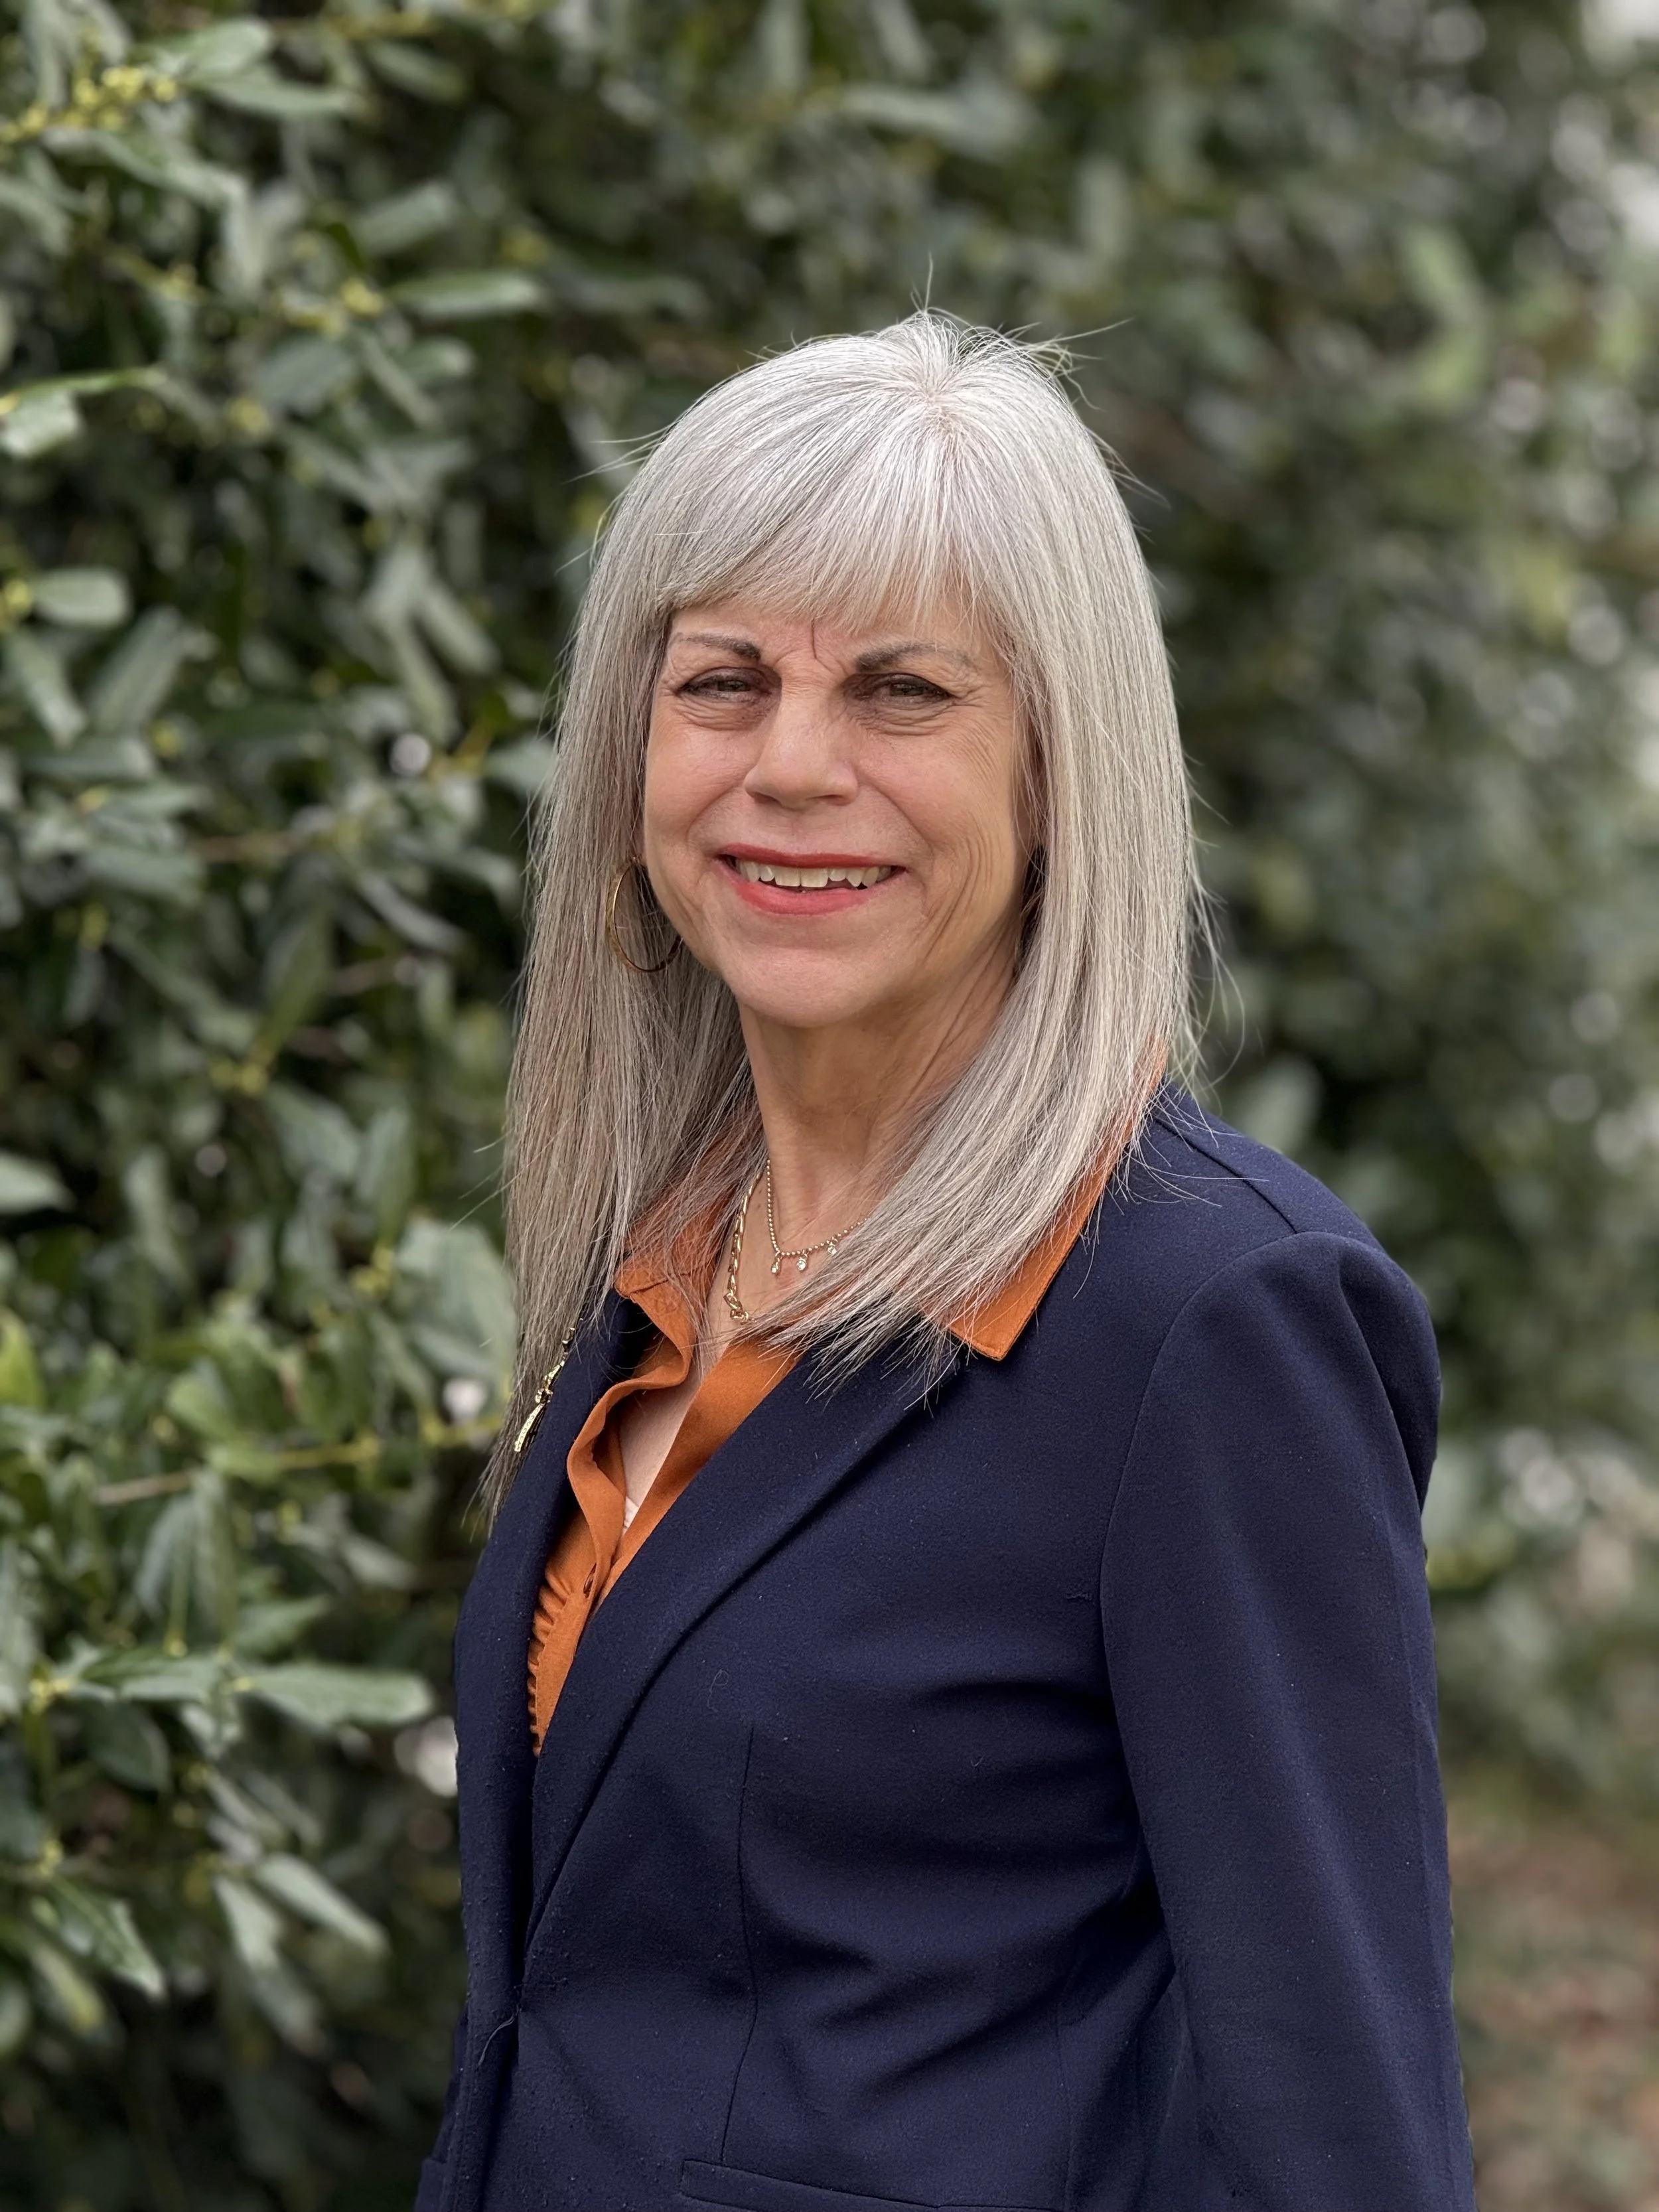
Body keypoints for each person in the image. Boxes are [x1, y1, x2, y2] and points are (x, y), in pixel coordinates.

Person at [417, 315, 1475, 2212]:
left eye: (900, 692)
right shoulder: (659, 1261)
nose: (790, 767)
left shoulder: (1210, 1325)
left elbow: (1333, 2116)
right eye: (723, 679)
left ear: (1059, 767)